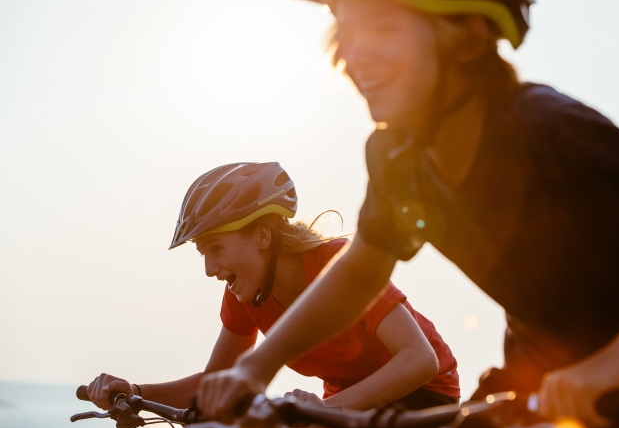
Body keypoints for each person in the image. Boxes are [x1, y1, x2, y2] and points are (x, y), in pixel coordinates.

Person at [196, 1, 619, 428]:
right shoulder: (397, 158)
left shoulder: (541, 128)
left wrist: (615, 363)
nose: (352, 53)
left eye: (382, 27)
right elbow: (360, 272)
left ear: (467, 35)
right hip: (542, 376)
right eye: (343, 32)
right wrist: (257, 366)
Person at [84, 162, 460, 413]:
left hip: (425, 397)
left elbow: (419, 361)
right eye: (203, 254)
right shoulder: (244, 296)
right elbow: (216, 383)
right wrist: (135, 391)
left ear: (262, 236)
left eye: (216, 249)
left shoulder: (337, 266)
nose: (210, 269)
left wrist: (324, 411)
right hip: (341, 407)